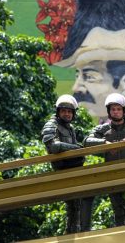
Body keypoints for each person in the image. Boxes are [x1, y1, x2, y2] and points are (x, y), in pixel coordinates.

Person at [83, 93, 125, 226]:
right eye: (113, 109)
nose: (116, 112)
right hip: (113, 175)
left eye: (118, 109)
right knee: (119, 214)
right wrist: (105, 143)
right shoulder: (103, 129)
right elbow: (86, 140)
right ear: (109, 111)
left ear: (124, 110)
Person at [41, 94, 94, 233]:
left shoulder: (69, 128)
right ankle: (72, 232)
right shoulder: (51, 125)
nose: (67, 114)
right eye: (64, 111)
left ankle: (75, 231)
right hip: (63, 170)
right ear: (58, 112)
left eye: (70, 111)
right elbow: (52, 146)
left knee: (78, 204)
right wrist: (76, 148)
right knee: (73, 204)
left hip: (73, 170)